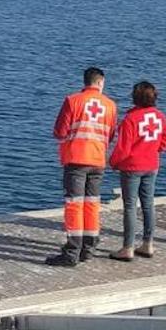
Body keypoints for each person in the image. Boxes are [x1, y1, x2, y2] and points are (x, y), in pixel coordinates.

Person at [47, 67, 118, 267]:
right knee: (92, 204)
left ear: (85, 81)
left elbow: (60, 132)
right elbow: (111, 134)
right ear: (100, 82)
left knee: (74, 205)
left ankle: (72, 251)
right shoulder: (111, 105)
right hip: (98, 159)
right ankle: (89, 248)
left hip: (76, 159)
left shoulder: (72, 100)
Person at [107, 81, 166, 262]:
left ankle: (127, 247)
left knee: (129, 206)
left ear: (134, 97)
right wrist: (152, 150)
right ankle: (148, 244)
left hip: (132, 167)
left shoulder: (130, 119)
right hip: (151, 165)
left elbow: (123, 149)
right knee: (148, 204)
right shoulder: (160, 117)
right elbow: (165, 142)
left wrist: (112, 162)